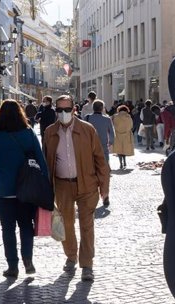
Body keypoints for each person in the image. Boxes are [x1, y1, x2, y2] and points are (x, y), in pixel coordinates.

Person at [42, 95, 110, 281]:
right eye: (60, 110)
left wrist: (104, 186)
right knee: (66, 224)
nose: (63, 114)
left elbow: (100, 159)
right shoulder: (49, 132)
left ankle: (87, 265)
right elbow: (45, 161)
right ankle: (71, 256)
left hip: (87, 184)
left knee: (87, 225)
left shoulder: (87, 129)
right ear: (56, 111)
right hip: (63, 185)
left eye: (67, 110)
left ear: (74, 110)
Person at [0, 100, 47, 277]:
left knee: (7, 229)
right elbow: (41, 160)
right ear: (20, 113)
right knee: (26, 226)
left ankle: (12, 266)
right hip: (27, 189)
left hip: (3, 190)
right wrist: (46, 184)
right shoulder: (28, 133)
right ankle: (28, 260)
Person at [84, 99, 115, 167]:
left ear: (93, 108)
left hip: (90, 145)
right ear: (102, 108)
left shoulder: (87, 117)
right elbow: (112, 133)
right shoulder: (107, 119)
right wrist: (110, 142)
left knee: (91, 164)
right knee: (104, 164)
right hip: (103, 145)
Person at [112, 104, 134, 170]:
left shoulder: (115, 117)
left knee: (119, 150)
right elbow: (131, 125)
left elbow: (113, 124)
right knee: (124, 149)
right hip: (126, 135)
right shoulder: (128, 117)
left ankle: (120, 163)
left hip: (118, 134)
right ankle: (124, 162)